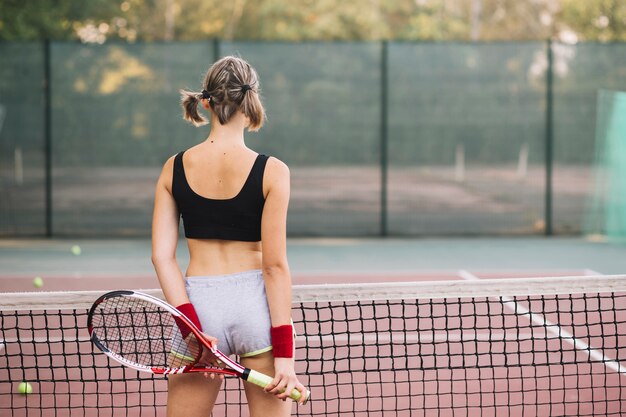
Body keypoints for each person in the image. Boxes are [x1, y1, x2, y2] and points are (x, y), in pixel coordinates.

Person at [151, 55, 307, 417]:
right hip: (255, 307)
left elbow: (162, 256)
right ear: (251, 103)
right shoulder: (273, 171)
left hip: (200, 308)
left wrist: (191, 327)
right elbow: (275, 267)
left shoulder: (173, 168)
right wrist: (285, 357)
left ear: (205, 102)